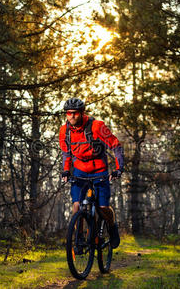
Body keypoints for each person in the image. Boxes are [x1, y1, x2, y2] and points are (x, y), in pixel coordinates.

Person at [59, 97, 124, 248]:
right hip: (80, 172)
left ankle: (112, 226)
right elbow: (66, 154)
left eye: (75, 113)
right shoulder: (64, 131)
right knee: (76, 205)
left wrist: (119, 168)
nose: (72, 116)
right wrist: (66, 170)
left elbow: (115, 145)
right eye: (69, 113)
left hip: (99, 171)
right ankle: (79, 239)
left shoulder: (96, 126)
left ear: (82, 113)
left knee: (102, 208)